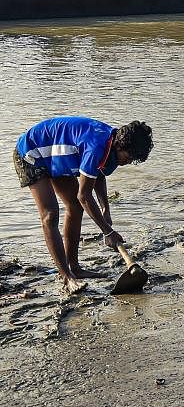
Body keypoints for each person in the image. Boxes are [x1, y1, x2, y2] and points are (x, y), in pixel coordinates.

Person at [13, 117, 153, 295]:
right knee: (50, 214)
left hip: (57, 156)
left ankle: (74, 267)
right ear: (120, 145)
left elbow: (98, 173)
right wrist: (108, 232)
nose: (128, 162)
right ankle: (67, 278)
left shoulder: (112, 142)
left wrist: (105, 210)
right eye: (129, 157)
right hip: (31, 153)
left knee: (75, 208)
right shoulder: (96, 146)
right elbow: (84, 195)